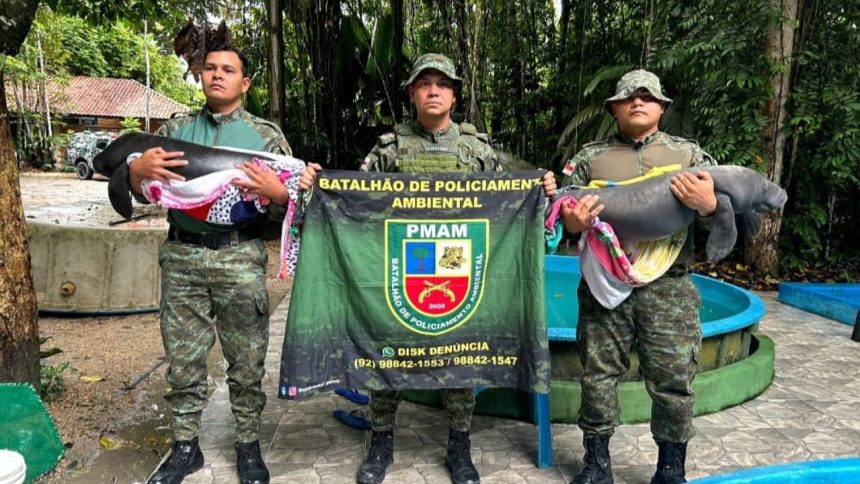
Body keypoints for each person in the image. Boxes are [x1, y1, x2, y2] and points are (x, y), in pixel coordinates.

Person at [299, 53, 556, 484]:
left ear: (454, 95)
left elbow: (508, 209)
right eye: (424, 84)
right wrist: (317, 188)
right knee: (387, 352)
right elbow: (355, 202)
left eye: (442, 84)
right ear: (412, 94)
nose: (433, 90)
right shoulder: (388, 149)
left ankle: (459, 445)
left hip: (460, 269)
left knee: (461, 354)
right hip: (400, 268)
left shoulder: (478, 151)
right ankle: (380, 441)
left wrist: (541, 191)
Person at [130, 45, 294, 484]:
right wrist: (135, 171)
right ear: (199, 76)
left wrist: (278, 193)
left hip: (240, 255)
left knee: (246, 359)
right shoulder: (175, 130)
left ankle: (248, 445)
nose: (217, 76)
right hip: (183, 254)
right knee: (183, 359)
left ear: (245, 83)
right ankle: (185, 448)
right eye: (210, 68)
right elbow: (138, 186)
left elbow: (293, 204)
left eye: (228, 70)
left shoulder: (266, 138)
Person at [559, 70, 717, 484]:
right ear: (614, 107)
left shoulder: (690, 156)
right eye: (629, 97)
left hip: (669, 287)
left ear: (662, 107)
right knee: (597, 374)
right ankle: (596, 465)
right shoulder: (590, 158)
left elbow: (723, 211)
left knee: (673, 378)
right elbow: (563, 218)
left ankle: (670, 469)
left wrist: (709, 204)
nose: (638, 102)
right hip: (603, 283)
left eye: (647, 97)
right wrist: (573, 222)